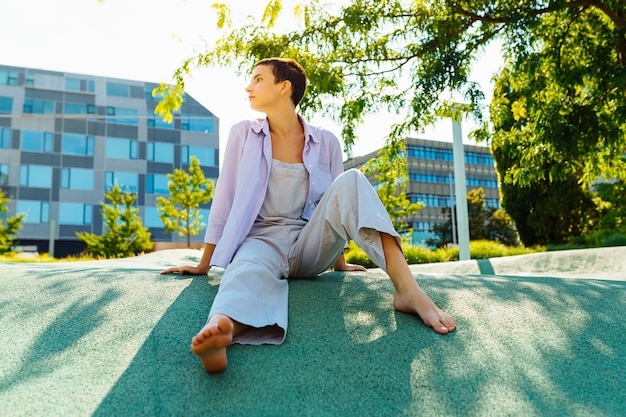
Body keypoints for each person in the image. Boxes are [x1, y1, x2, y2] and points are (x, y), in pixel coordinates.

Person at [160, 57, 456, 373]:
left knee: (353, 179)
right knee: (243, 272)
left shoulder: (325, 141)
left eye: (258, 79)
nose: (249, 86)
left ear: (284, 87)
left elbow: (338, 202)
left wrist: (339, 262)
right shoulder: (242, 135)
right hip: (261, 241)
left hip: (310, 243)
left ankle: (408, 292)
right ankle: (222, 331)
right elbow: (225, 197)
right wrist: (205, 264)